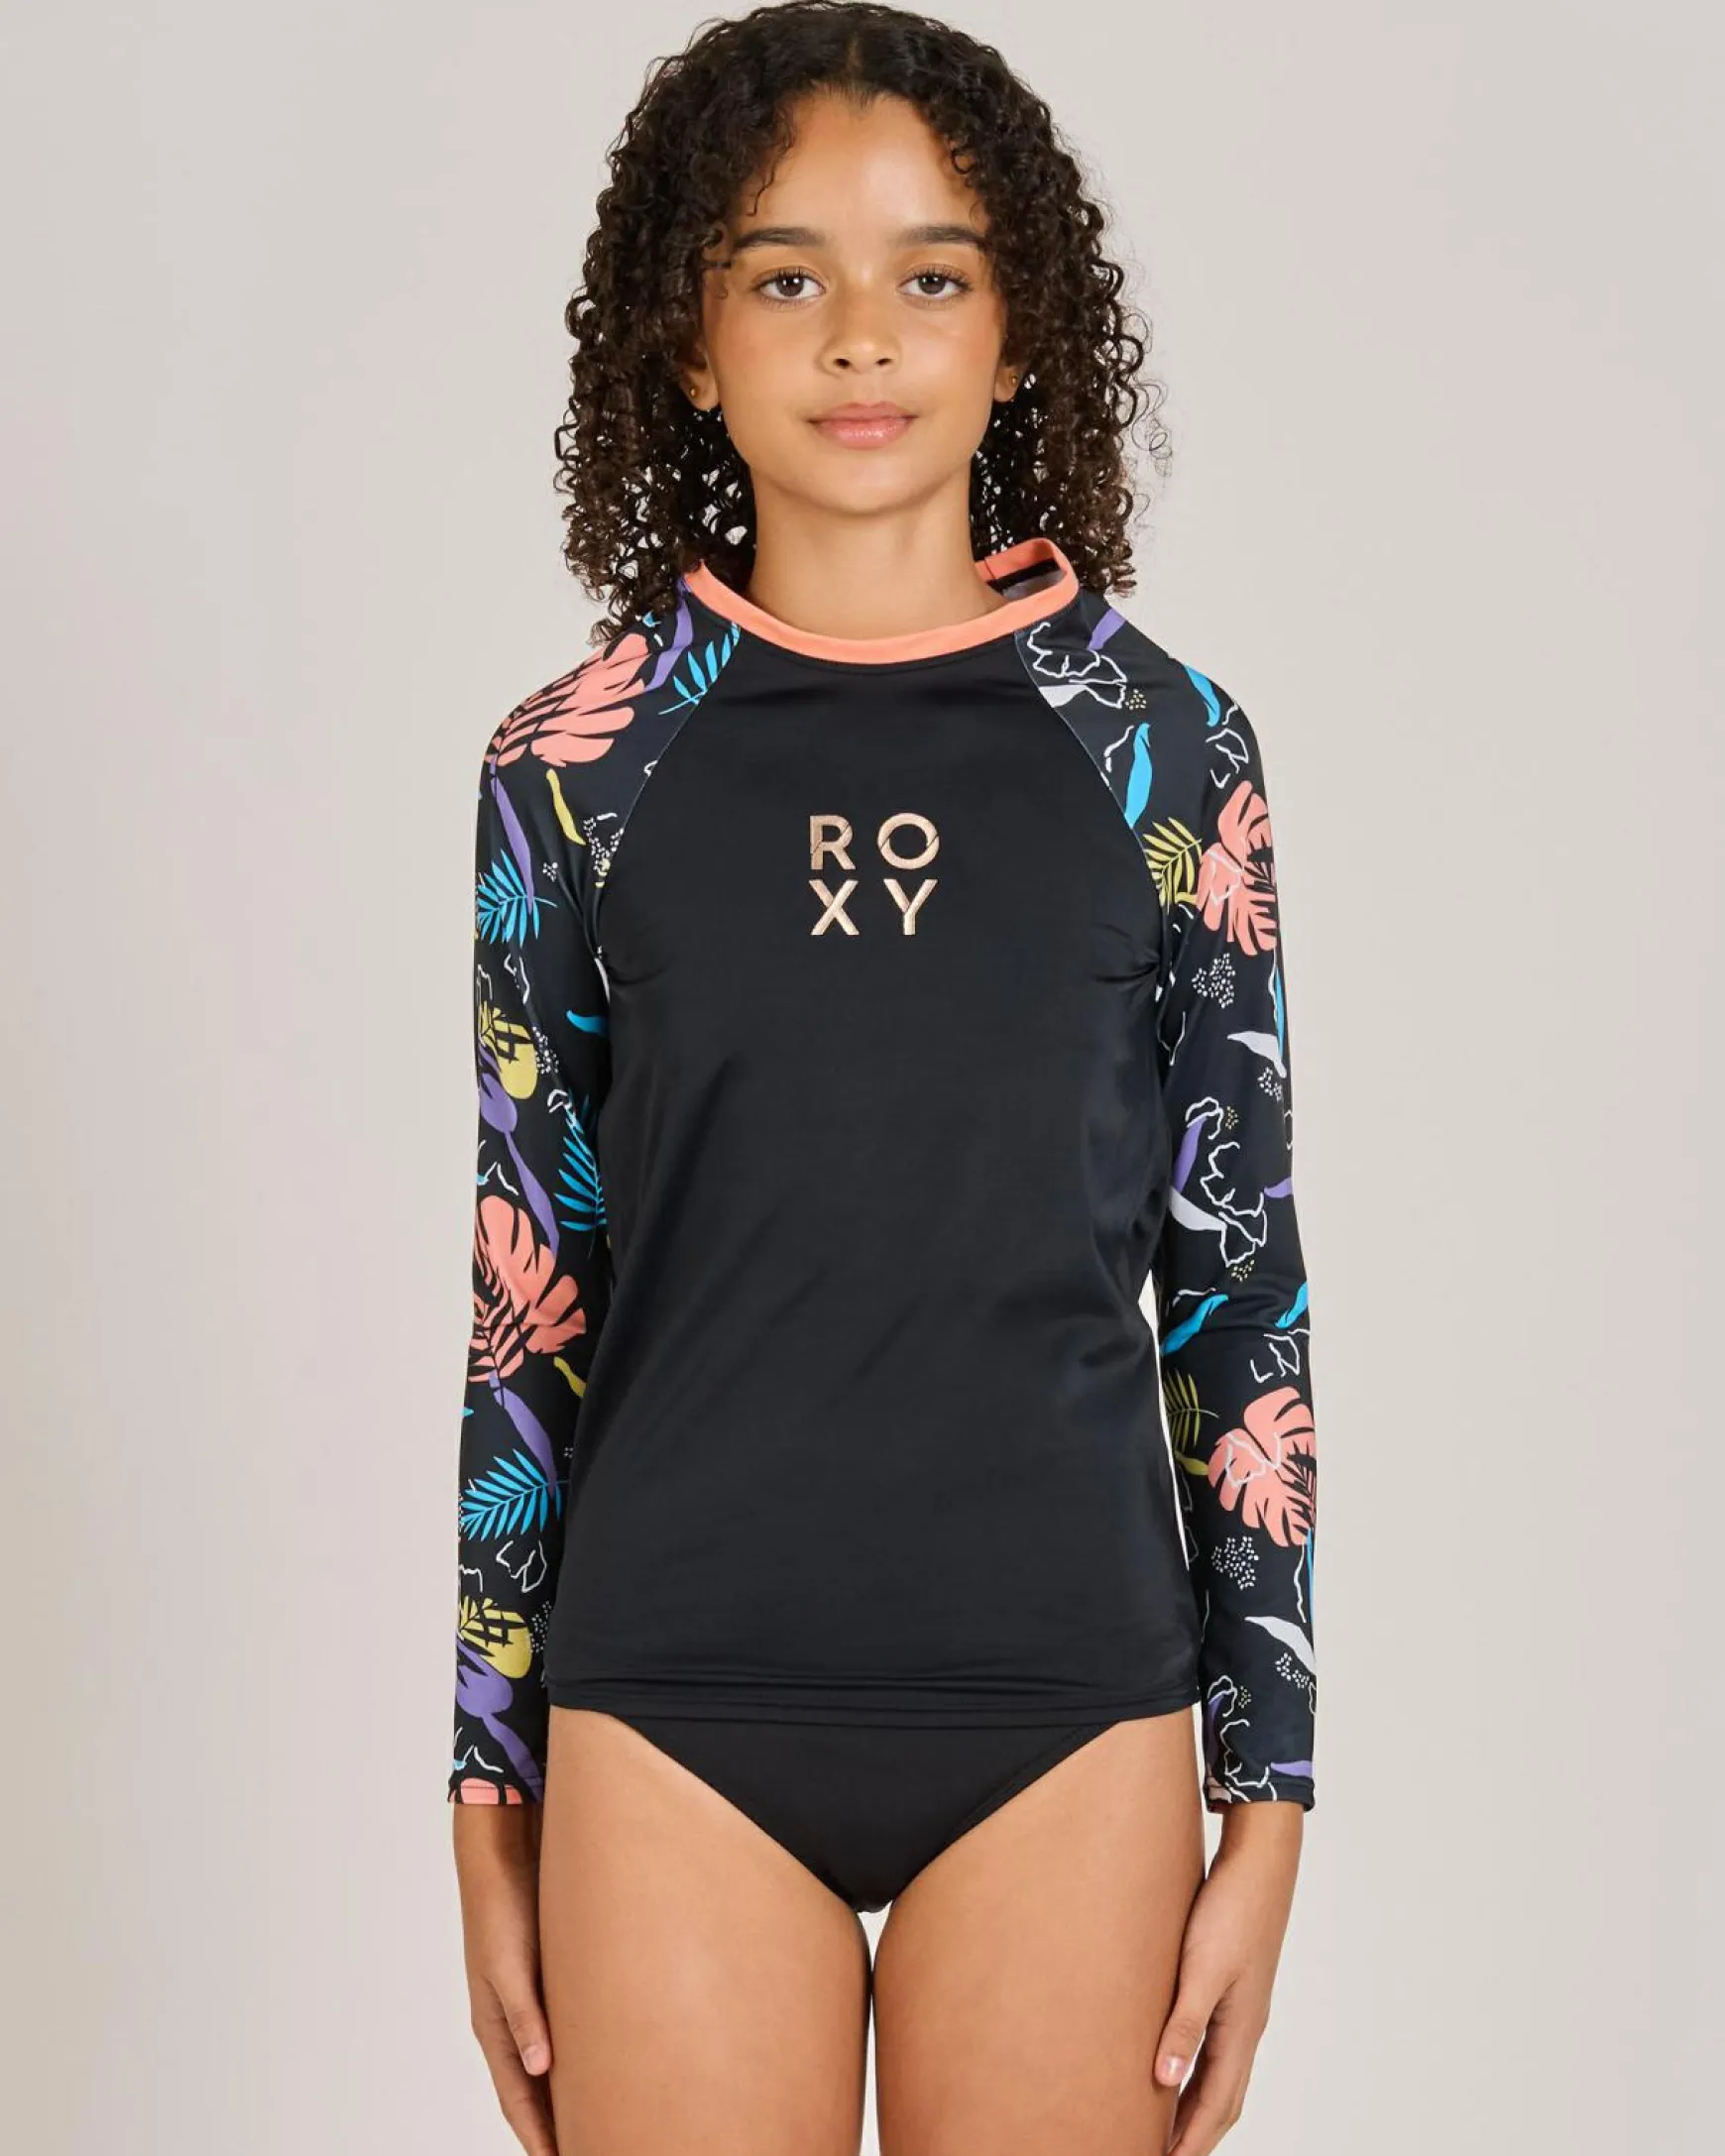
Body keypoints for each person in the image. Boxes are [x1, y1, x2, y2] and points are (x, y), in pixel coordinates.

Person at [448, 6, 1318, 2151]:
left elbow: (1238, 1286)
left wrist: (1271, 1793)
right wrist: (487, 1786)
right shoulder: (575, 767)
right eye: (785, 277)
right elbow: (527, 1295)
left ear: (1020, 338)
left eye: (932, 273)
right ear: (686, 340)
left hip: (1068, 1713)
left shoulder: (1164, 750)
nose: (861, 336)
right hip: (670, 1710)